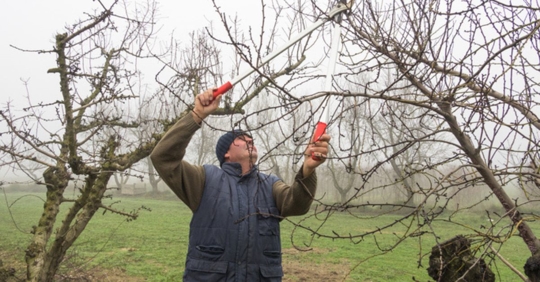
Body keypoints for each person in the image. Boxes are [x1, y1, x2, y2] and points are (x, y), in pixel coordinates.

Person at [150, 88, 330, 281]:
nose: (250, 141)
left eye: (252, 139)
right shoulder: (203, 180)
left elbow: (298, 204)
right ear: (226, 152)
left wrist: (308, 170)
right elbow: (163, 158)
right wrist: (196, 116)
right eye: (241, 139)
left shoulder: (270, 185)